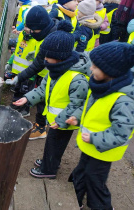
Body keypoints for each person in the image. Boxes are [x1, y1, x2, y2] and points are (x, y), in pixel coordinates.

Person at [13, 21, 90, 178]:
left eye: (49, 56)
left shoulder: (77, 79)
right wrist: (27, 99)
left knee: (55, 145)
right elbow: (42, 90)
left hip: (64, 122)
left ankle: (49, 170)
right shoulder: (55, 71)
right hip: (55, 120)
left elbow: (77, 104)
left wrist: (62, 120)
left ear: (60, 57)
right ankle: (49, 161)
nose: (45, 59)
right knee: (52, 145)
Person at [66, 42, 134, 209]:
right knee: (82, 171)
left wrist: (95, 138)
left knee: (95, 180)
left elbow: (121, 133)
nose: (90, 69)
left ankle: (101, 206)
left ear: (111, 71)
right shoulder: (101, 86)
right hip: (91, 145)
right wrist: (77, 118)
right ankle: (75, 198)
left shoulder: (123, 101)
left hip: (103, 149)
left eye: (95, 67)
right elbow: (91, 110)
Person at [6, 5, 60, 139]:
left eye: (33, 31)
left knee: (44, 99)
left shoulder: (52, 40)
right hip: (45, 72)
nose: (32, 34)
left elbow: (37, 65)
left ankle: (42, 128)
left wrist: (18, 77)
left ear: (40, 27)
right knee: (41, 96)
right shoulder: (49, 29)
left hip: (51, 74)